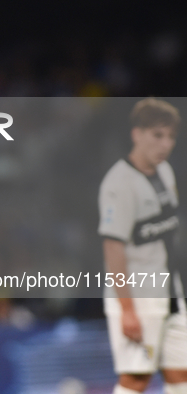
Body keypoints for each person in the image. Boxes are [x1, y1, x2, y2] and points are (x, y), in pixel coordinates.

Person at [98, 98, 187, 394]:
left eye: (171, 137)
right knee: (136, 379)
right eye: (158, 135)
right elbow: (113, 248)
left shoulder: (165, 173)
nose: (166, 144)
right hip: (138, 296)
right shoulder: (118, 183)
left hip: (171, 292)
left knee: (180, 373)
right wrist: (127, 310)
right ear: (137, 134)